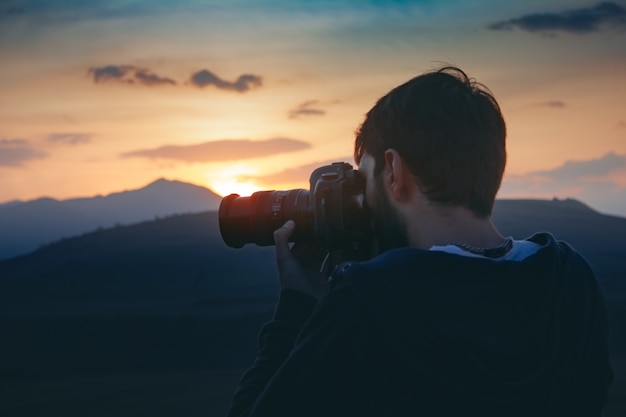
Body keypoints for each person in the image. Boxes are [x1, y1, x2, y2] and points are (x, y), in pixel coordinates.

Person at [226, 66, 613, 416]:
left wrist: (296, 305)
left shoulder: (368, 301)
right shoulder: (568, 278)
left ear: (394, 170)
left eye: (366, 178)